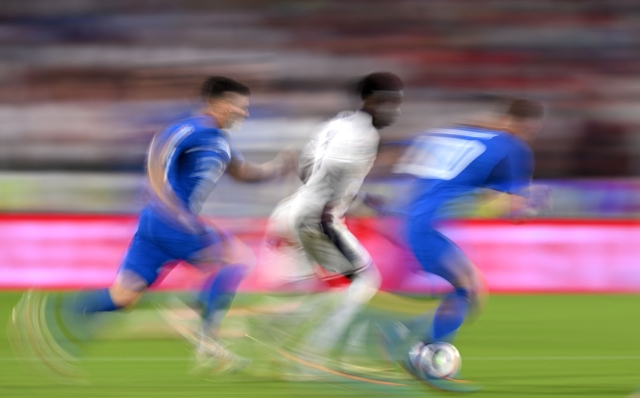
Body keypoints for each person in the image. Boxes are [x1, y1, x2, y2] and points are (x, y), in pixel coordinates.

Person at [11, 76, 294, 380]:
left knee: (122, 297)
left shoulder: (221, 142)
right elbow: (157, 159)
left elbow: (243, 173)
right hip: (170, 221)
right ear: (222, 104)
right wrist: (168, 204)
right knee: (237, 259)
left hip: (158, 224)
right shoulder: (190, 129)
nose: (245, 114)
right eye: (241, 107)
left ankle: (54, 312)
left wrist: (277, 166)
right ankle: (208, 342)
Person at [380, 97, 545, 391]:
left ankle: (406, 338)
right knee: (468, 289)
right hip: (425, 227)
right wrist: (529, 206)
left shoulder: (461, 132)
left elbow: (410, 149)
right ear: (530, 126)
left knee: (461, 287)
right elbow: (508, 210)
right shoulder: (514, 147)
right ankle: (423, 352)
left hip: (400, 221)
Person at [264, 72, 404, 370]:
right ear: (373, 100)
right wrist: (331, 202)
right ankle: (313, 356)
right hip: (318, 218)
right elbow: (333, 169)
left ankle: (268, 330)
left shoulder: (335, 124)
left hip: (292, 210)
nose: (396, 111)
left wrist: (357, 195)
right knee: (364, 281)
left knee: (319, 292)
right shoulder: (366, 135)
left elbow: (306, 168)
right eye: (392, 103)